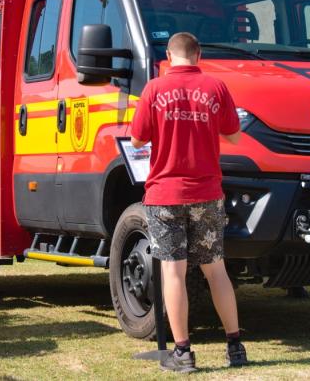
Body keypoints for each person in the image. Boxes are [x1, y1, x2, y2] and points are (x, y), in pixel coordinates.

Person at [131, 32, 247, 373]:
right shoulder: (216, 87)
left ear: (169, 56)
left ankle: (183, 352)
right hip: (207, 193)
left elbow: (137, 139)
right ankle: (235, 347)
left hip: (165, 194)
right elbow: (234, 135)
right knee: (216, 270)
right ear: (199, 54)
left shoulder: (154, 89)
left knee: (173, 271)